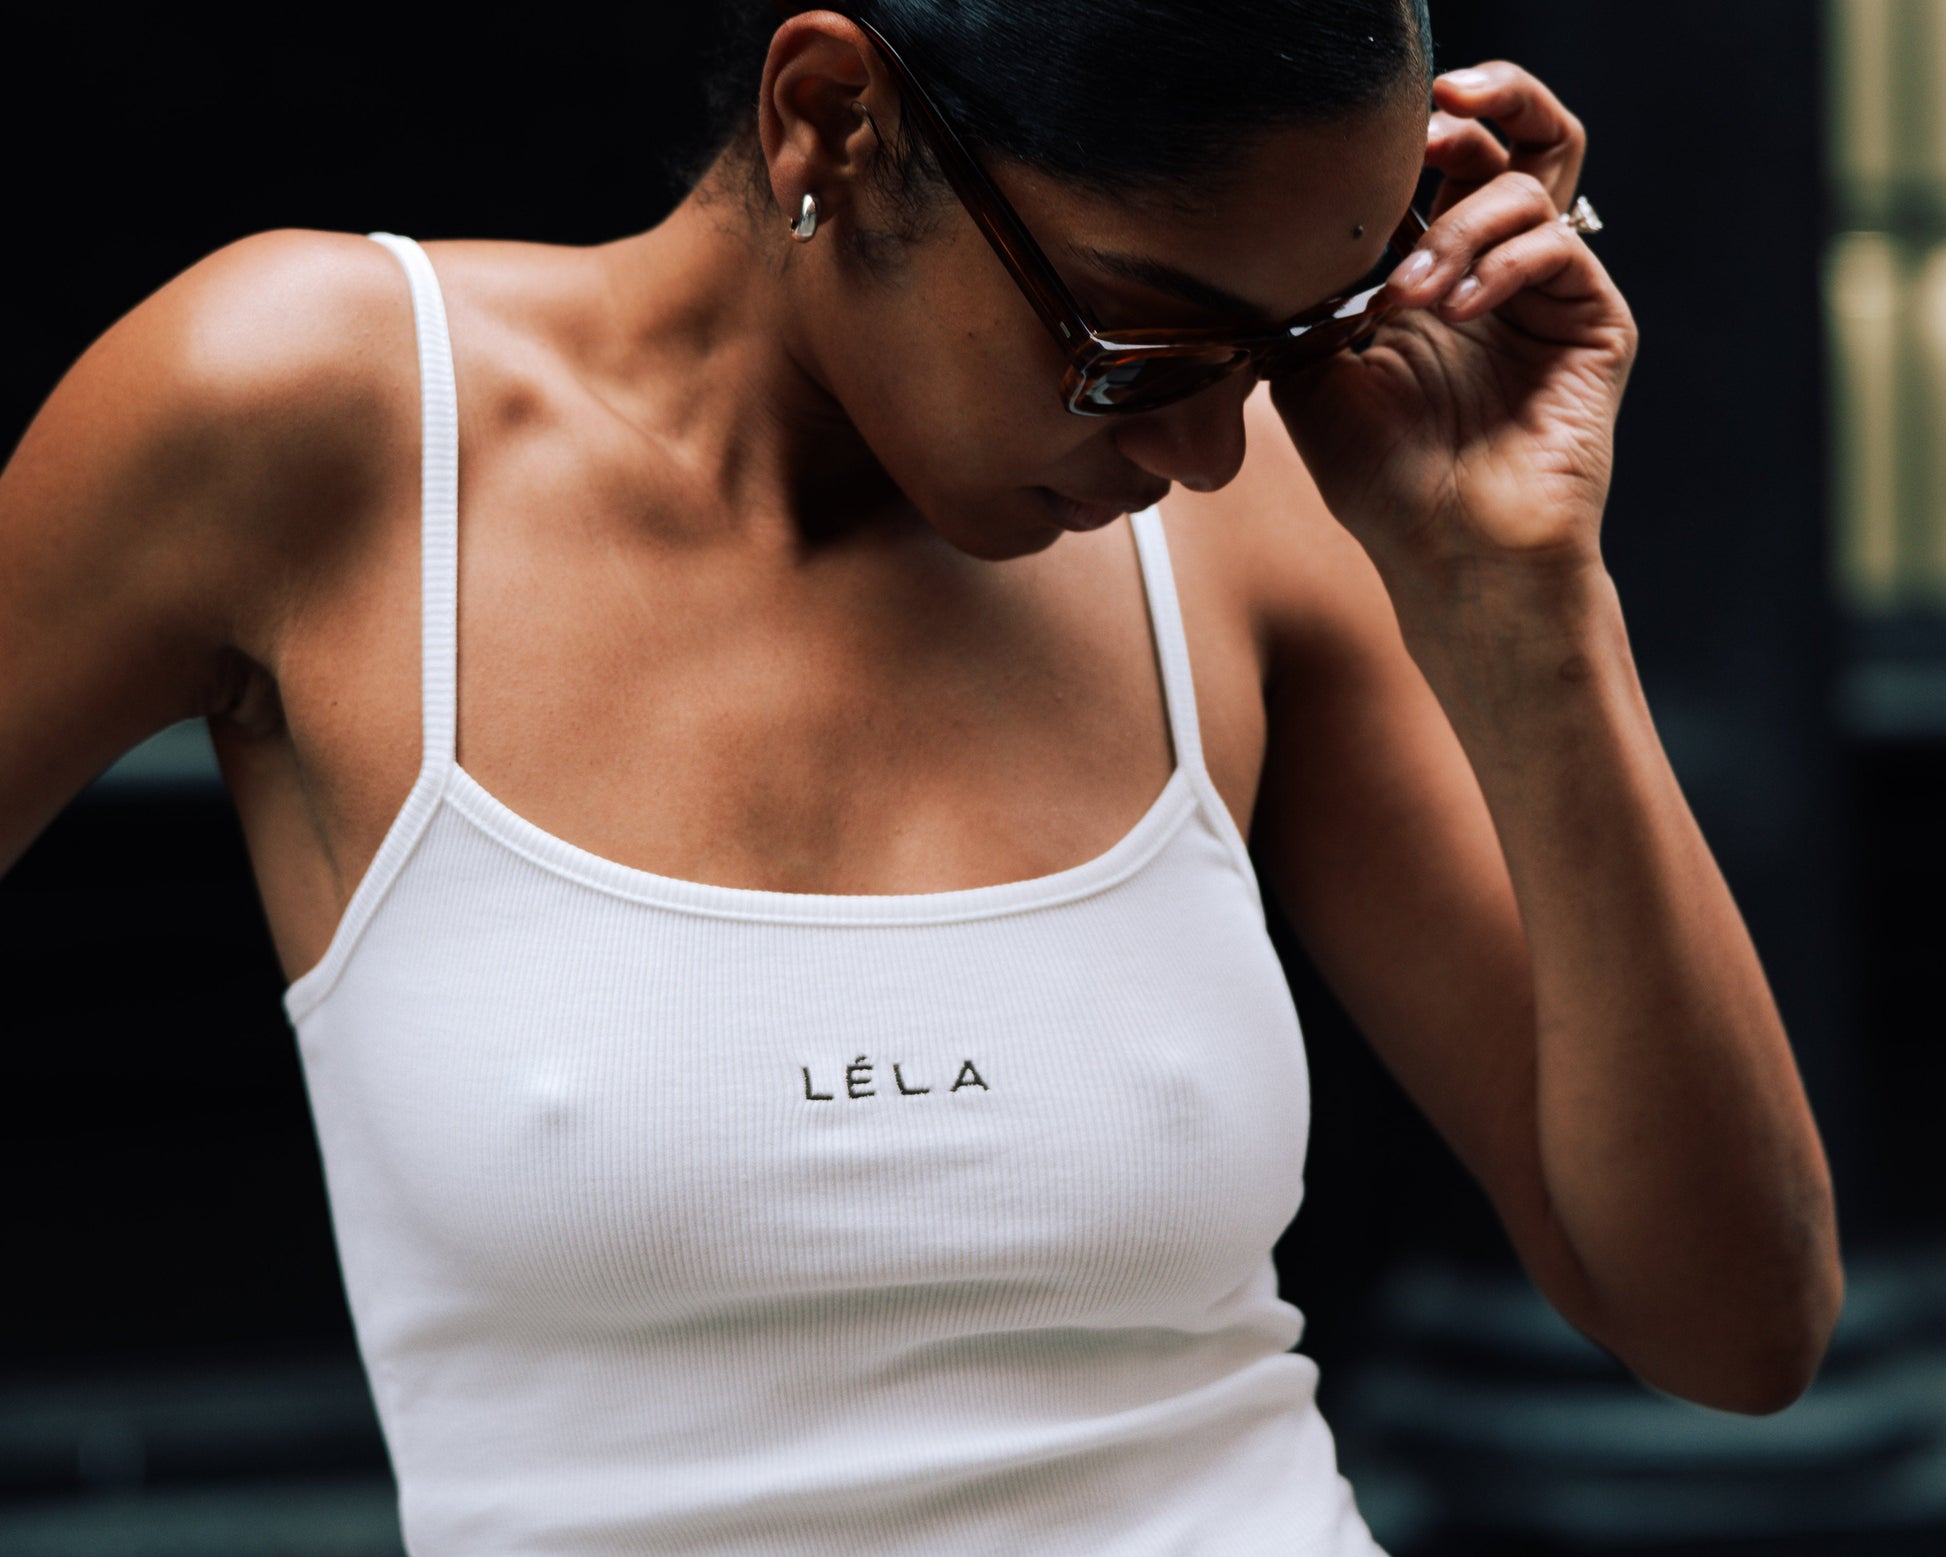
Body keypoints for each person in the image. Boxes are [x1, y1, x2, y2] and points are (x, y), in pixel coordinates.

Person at [0, 0, 1843, 1551]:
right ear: (833, 123)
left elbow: (1732, 1328)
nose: (1208, 446)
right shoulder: (316, 420)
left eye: (1282, 343)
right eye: (1138, 339)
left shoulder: (1265, 523)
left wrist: (1524, 603)